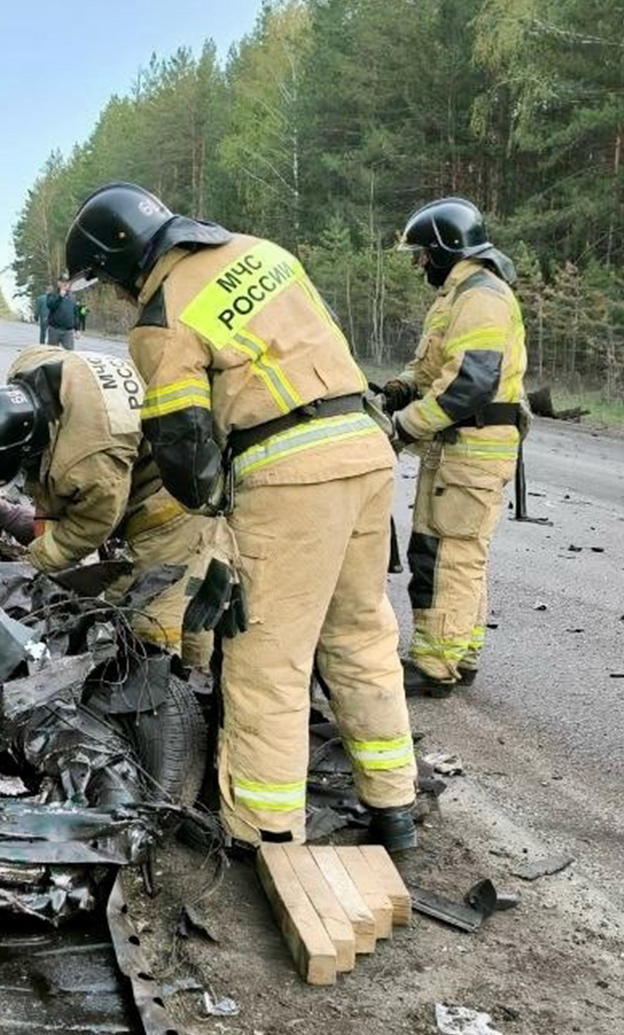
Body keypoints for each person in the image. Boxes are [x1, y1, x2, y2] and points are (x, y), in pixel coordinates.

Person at [64, 181, 417, 852]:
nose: (114, 296)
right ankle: (394, 808)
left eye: (109, 281)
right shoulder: (261, 252)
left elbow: (183, 447)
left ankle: (266, 832)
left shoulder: (162, 316)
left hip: (291, 471)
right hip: (367, 450)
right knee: (360, 634)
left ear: (125, 259)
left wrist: (212, 512)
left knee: (266, 659)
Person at [0, 345, 217, 668]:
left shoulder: (87, 460)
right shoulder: (29, 367)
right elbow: (47, 490)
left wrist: (37, 560)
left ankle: (181, 687)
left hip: (171, 506)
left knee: (144, 614)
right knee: (182, 598)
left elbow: (91, 527)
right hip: (160, 455)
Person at [380, 197, 529, 698]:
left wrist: (401, 427)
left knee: (445, 556)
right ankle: (460, 655)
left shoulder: (481, 298)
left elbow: (469, 384)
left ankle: (434, 664)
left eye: (423, 254)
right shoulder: (458, 295)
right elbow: (434, 368)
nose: (419, 263)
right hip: (458, 449)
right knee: (459, 553)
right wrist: (400, 387)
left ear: (447, 248)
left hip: (471, 449)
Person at [43, 278, 80, 349]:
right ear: (59, 283)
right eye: (63, 282)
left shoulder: (72, 297)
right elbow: (50, 305)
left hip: (68, 331)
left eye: (67, 282)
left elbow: (75, 314)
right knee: (52, 353)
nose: (65, 284)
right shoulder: (52, 294)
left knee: (69, 354)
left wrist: (77, 329)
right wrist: (60, 297)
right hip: (55, 329)